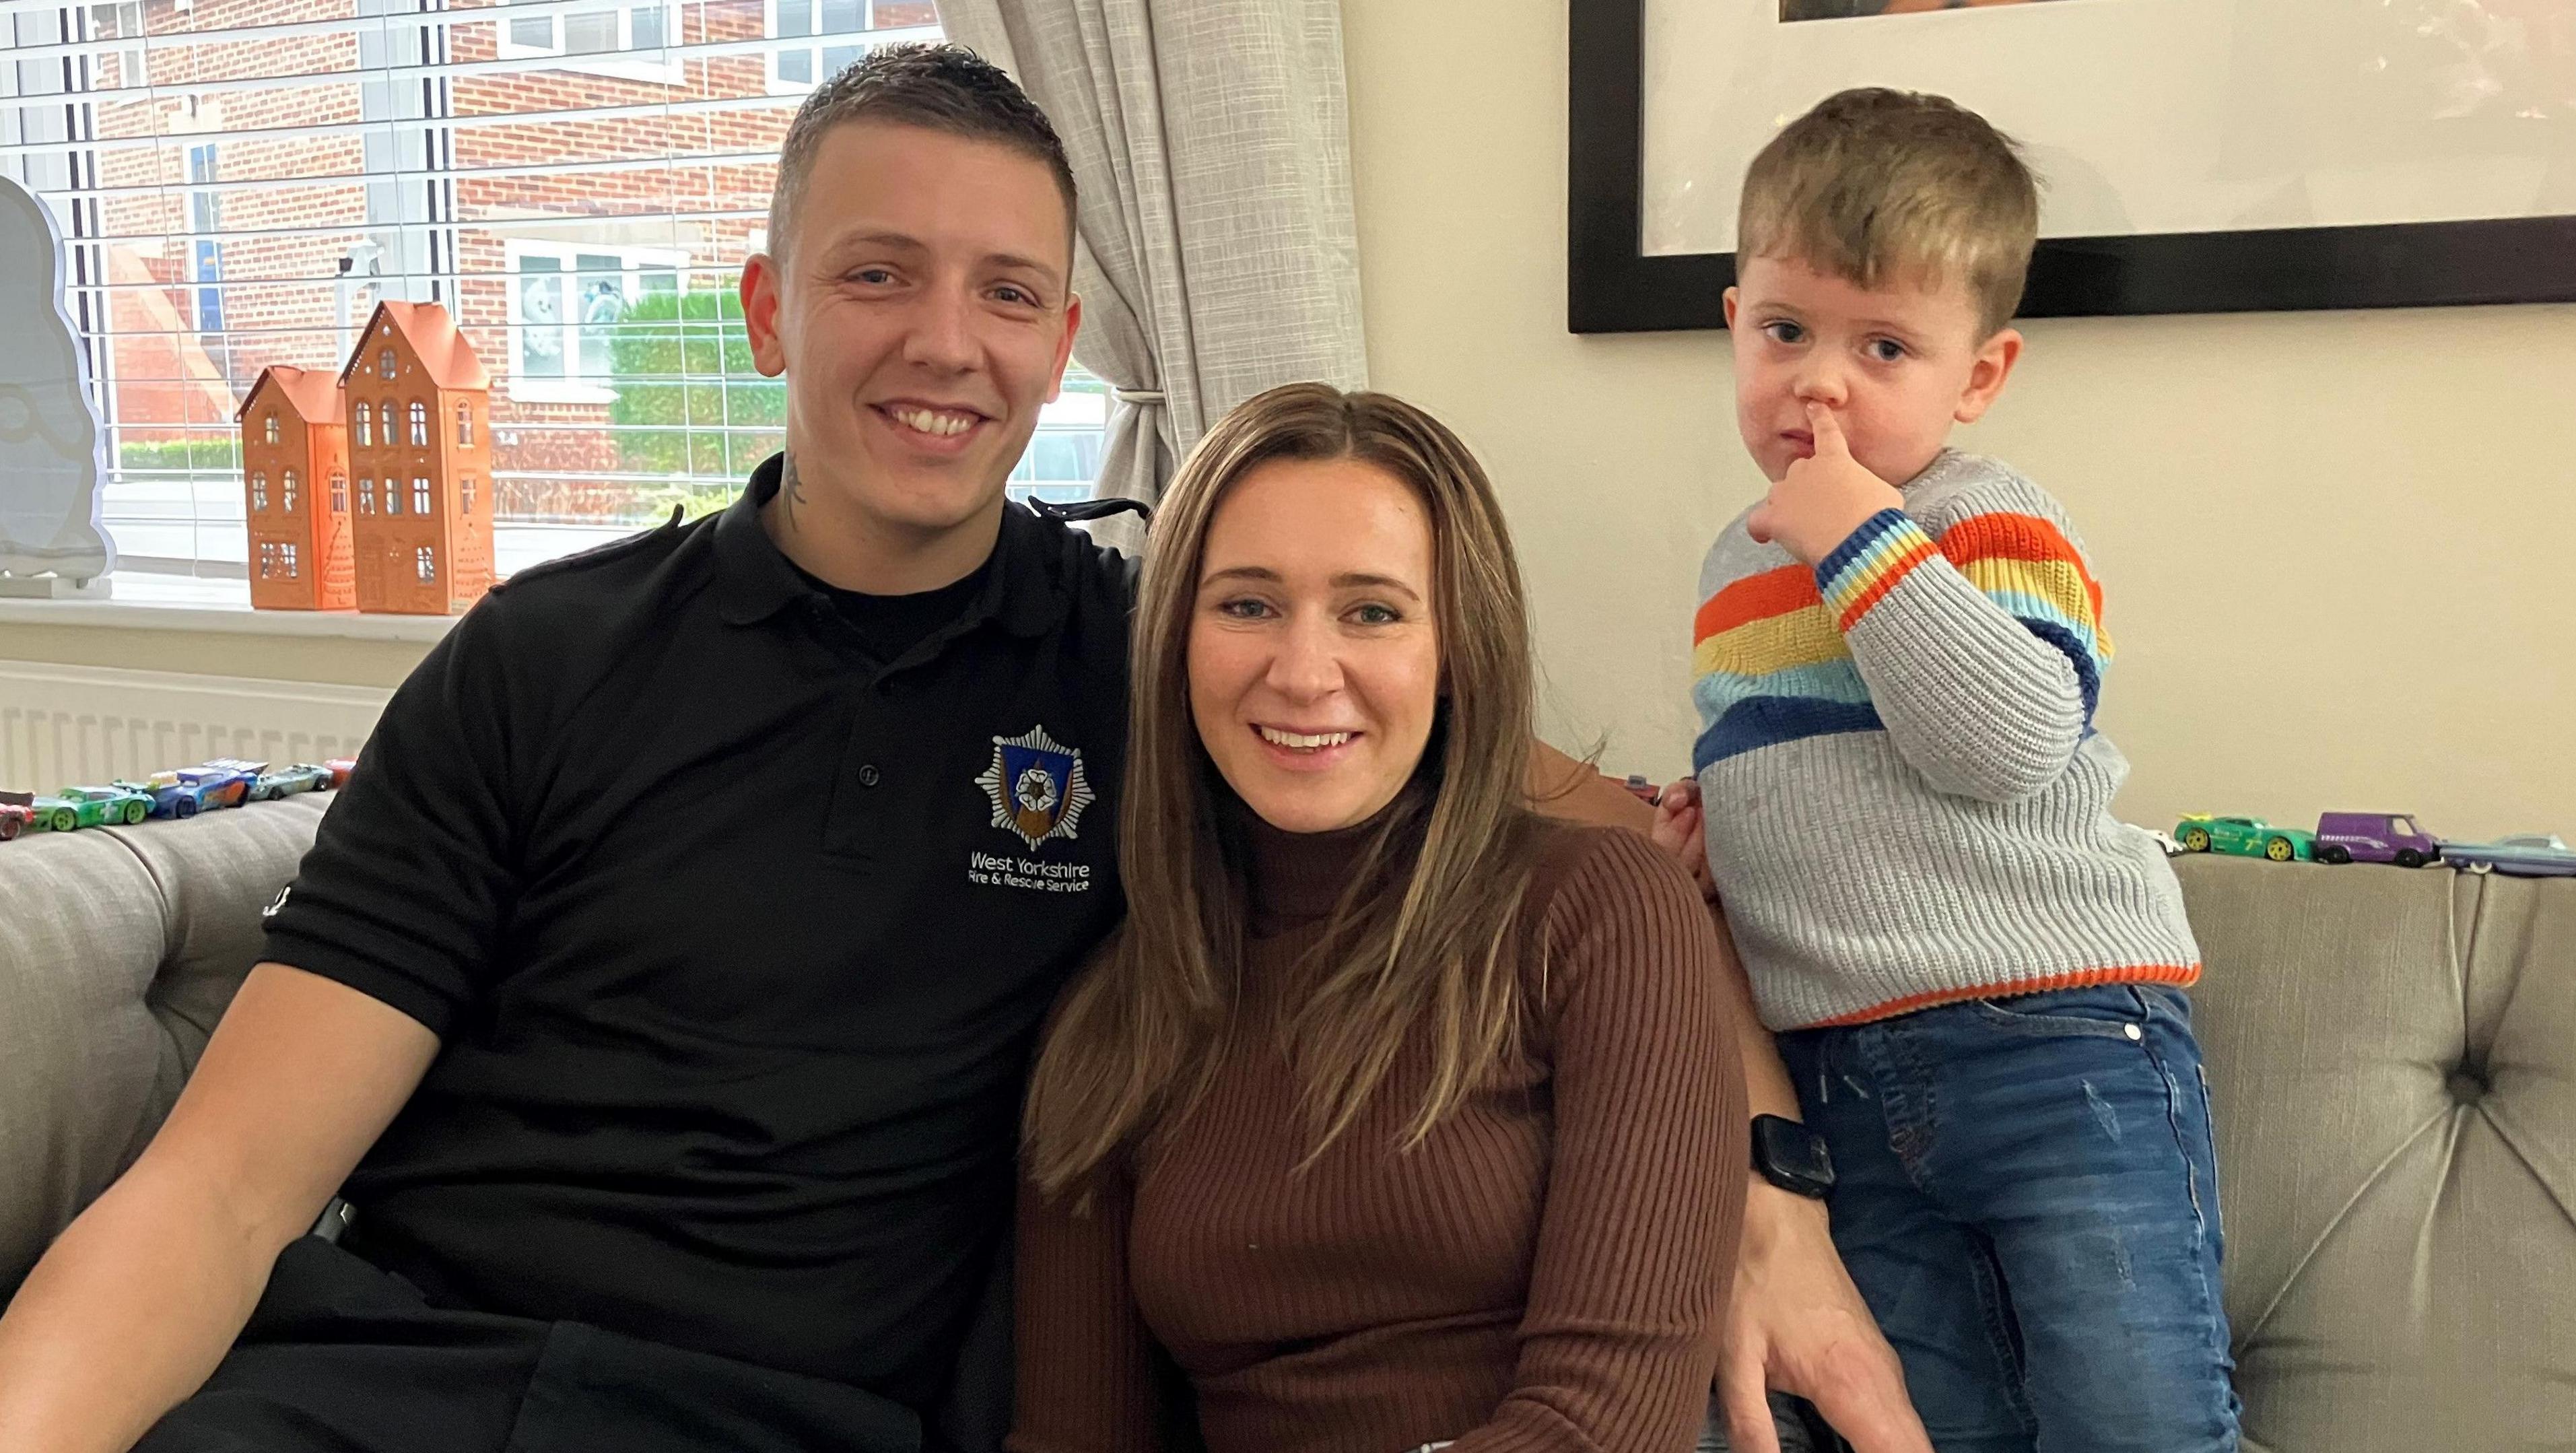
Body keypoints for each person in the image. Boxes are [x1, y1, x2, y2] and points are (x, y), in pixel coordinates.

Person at [0, 42, 1925, 1453]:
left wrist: (1761, 1187)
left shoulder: (1157, 657)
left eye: (1007, 291)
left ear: (1064, 333)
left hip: (795, 1417)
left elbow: (1566, 835)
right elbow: (219, 1192)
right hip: (390, 1377)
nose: (947, 339)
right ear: (768, 306)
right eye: (876, 272)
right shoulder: (540, 659)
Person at [1662, 88, 2237, 1451]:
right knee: (1921, 1421)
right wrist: (1715, 830)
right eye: (1789, 330)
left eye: (1886, 346)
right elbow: (1813, 774)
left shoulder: (1981, 517)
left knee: (2132, 1410)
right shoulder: (1733, 565)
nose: (1822, 381)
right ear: (1735, 320)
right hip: (1845, 1071)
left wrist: (1862, 532)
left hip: (2059, 1040)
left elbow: (2012, 739)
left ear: (1976, 376)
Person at [1010, 383, 1742, 1453]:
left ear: (1454, 654)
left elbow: (1605, 1426)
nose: (1304, 673)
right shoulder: (1108, 1021)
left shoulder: (1598, 913)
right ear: (1175, 639)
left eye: (1373, 610)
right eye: (1247, 604)